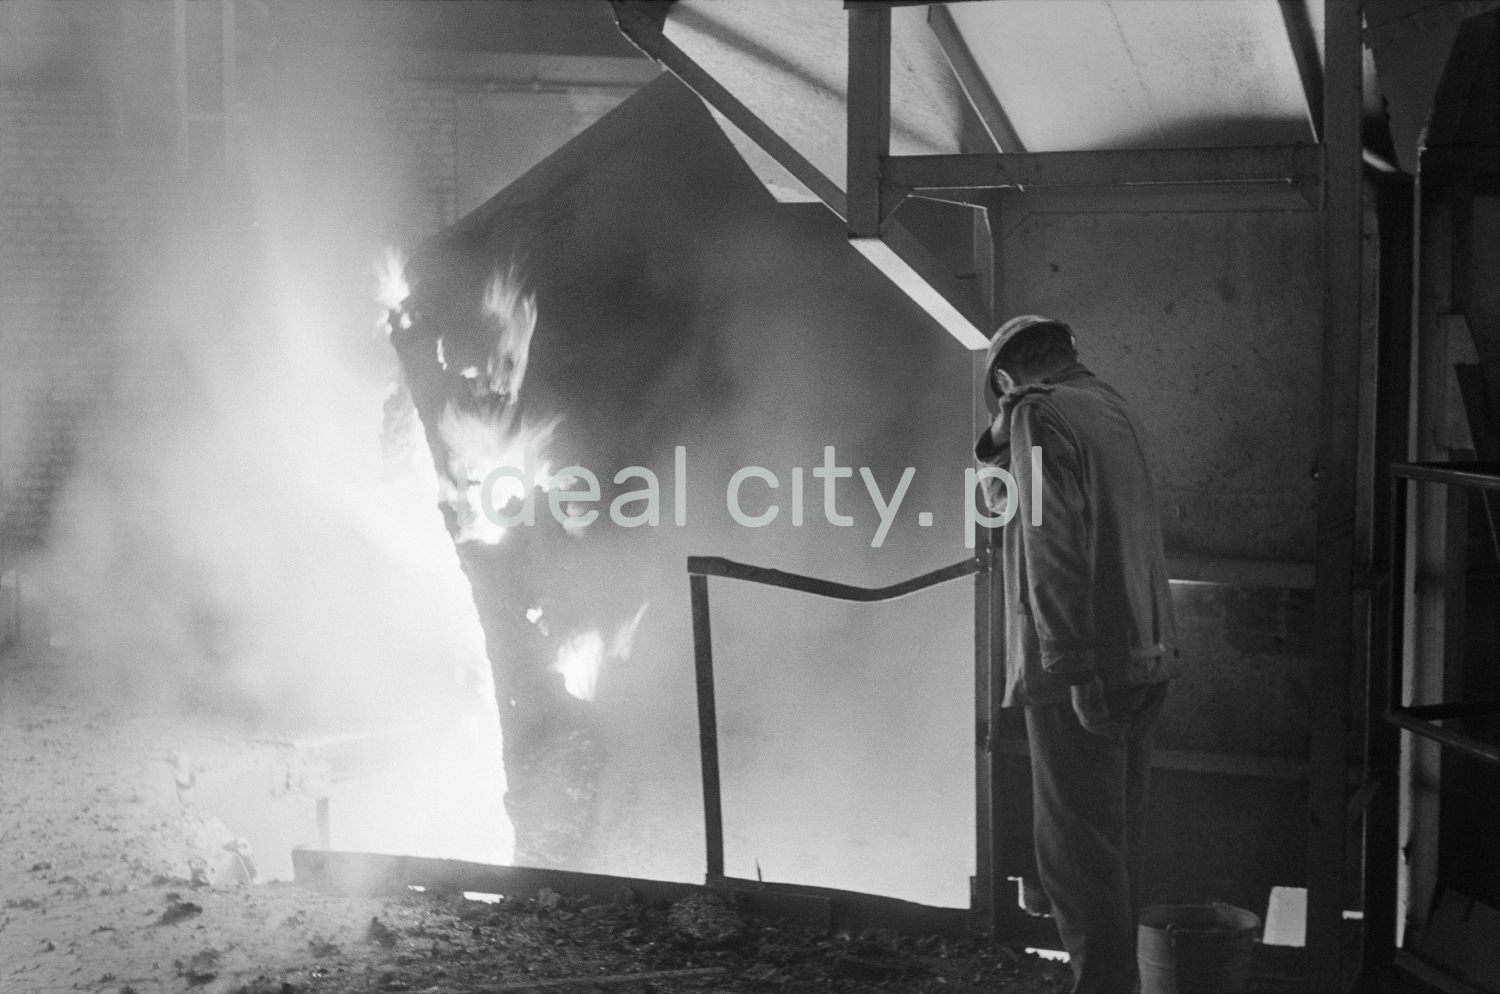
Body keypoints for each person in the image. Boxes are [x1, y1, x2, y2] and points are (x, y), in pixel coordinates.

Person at [974, 314, 1179, 994]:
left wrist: (1071, 668)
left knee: (1078, 863)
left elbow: (1048, 544)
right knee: (1117, 853)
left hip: (1082, 670)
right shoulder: (1109, 407)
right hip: (1146, 655)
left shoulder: (1039, 415)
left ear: (1007, 381)